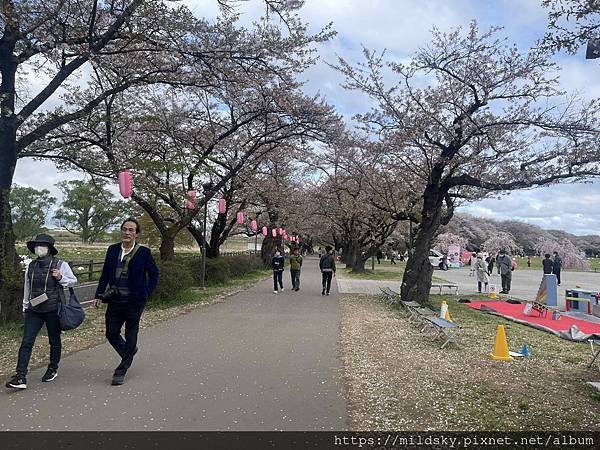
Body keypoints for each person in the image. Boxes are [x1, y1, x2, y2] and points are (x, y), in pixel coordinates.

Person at [5, 234, 77, 390]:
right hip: (34, 309)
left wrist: (60, 277)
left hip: (53, 308)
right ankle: (20, 376)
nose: (39, 248)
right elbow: (27, 287)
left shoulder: (60, 264)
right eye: (37, 245)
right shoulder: (31, 265)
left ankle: (53, 368)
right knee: (27, 341)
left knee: (54, 340)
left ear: (50, 248)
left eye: (42, 245)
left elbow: (73, 281)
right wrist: (25, 306)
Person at [93, 217, 159, 386]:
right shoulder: (112, 250)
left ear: (136, 234)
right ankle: (128, 352)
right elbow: (105, 274)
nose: (127, 232)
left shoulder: (143, 253)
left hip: (134, 301)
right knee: (111, 333)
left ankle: (122, 369)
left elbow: (154, 274)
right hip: (115, 300)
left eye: (131, 230)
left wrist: (146, 292)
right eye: (124, 229)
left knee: (131, 334)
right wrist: (99, 295)